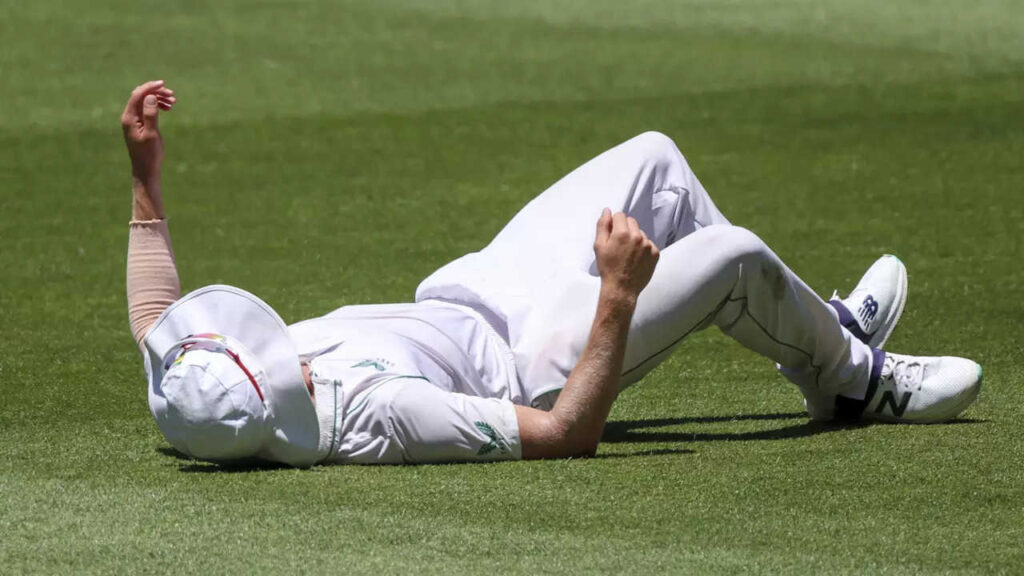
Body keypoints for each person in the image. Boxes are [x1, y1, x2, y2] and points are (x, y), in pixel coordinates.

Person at [123, 80, 982, 467]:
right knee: (733, 257)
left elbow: (153, 317)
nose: (269, 352)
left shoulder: (200, 398)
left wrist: (144, 177)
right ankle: (859, 380)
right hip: (539, 361)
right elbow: (568, 432)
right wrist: (618, 294)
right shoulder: (382, 418)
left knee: (656, 162)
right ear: (275, 402)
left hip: (478, 287)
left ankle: (821, 349)